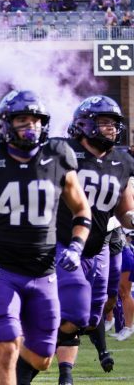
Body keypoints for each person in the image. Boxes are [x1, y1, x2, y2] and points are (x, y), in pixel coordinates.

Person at [0, 90, 92, 385]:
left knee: (42, 357)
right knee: (7, 346)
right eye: (22, 119)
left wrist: (76, 246)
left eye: (36, 120)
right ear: (6, 123)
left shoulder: (59, 155)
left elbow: (81, 211)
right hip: (3, 271)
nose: (30, 126)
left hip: (44, 272)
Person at [54, 95, 134, 385]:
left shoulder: (122, 160)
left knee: (96, 311)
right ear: (84, 125)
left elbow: (124, 210)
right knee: (75, 309)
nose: (111, 129)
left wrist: (132, 221)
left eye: (114, 123)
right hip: (63, 242)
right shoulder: (64, 153)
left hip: (98, 247)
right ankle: (65, 375)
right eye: (104, 123)